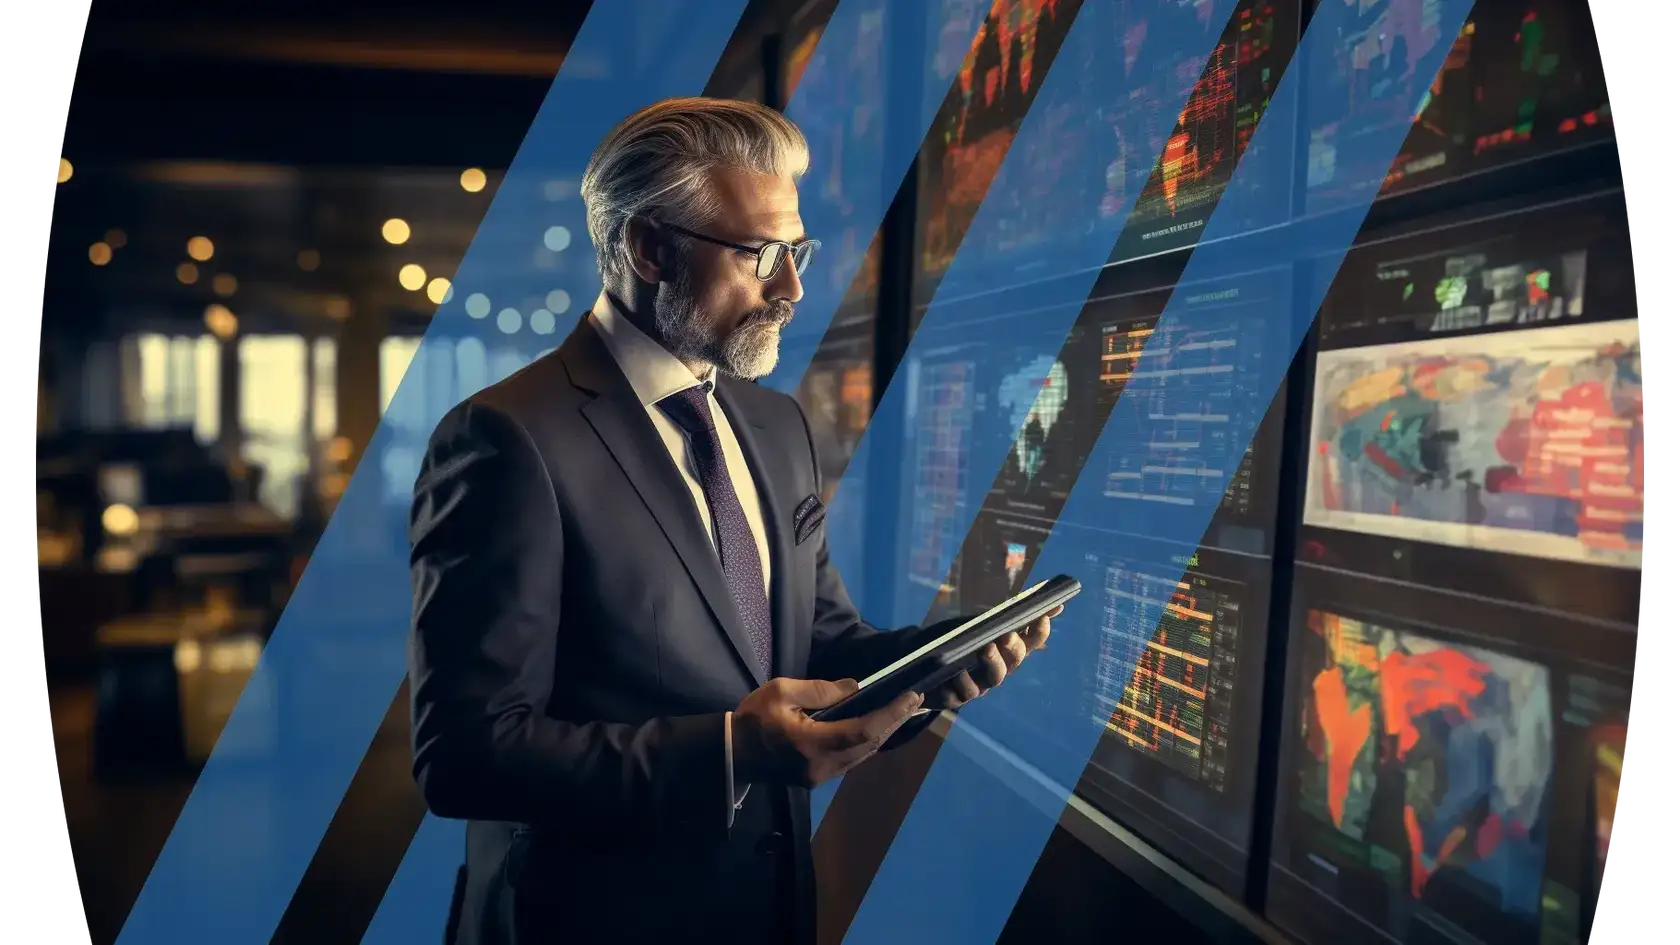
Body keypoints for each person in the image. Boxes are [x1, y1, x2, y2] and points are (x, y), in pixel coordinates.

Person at [407, 97, 1059, 945]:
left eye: (797, 251)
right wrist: (728, 750)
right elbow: (466, 756)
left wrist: (930, 667)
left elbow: (819, 643)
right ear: (648, 247)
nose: (791, 287)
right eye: (761, 253)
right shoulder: (505, 438)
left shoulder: (777, 427)